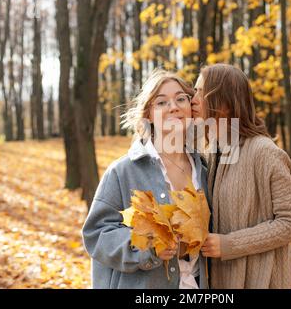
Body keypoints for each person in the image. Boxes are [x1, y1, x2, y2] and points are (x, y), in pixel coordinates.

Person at [82, 69, 210, 289]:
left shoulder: (205, 171)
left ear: (190, 108)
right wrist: (148, 247)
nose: (174, 107)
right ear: (148, 114)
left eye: (181, 99)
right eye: (161, 102)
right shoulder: (122, 172)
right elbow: (96, 234)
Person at [192, 63, 291, 289]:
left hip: (262, 281)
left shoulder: (265, 153)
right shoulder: (210, 152)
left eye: (200, 92)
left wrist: (230, 244)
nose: (192, 99)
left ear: (224, 103)